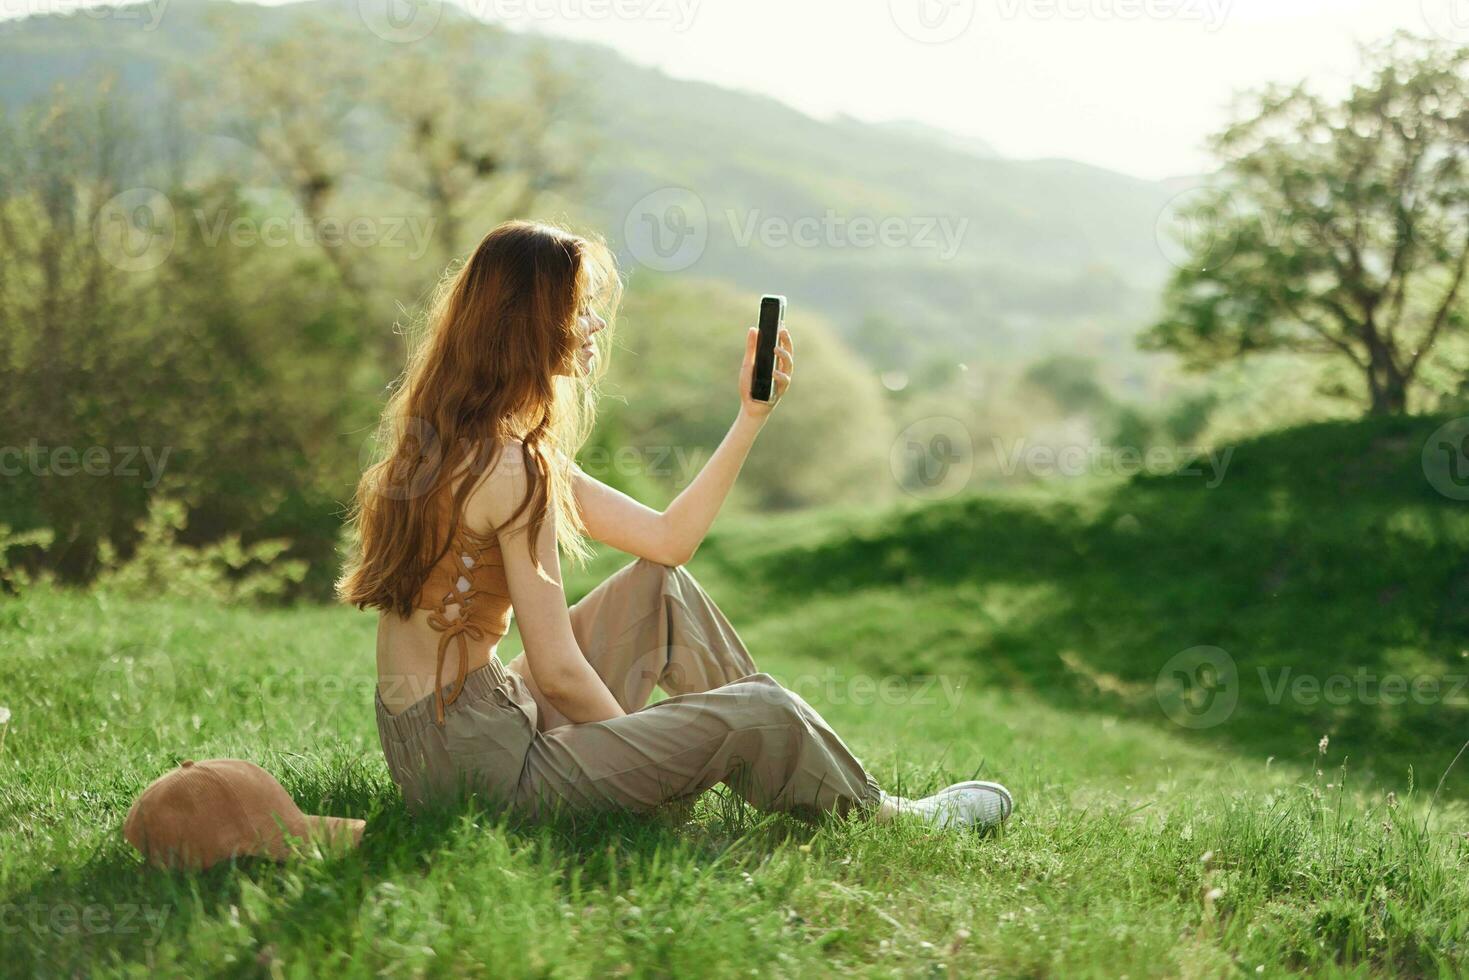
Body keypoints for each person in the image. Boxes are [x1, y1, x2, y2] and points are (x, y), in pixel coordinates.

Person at [338, 220, 1013, 832]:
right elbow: (559, 669)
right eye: (579, 309)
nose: (595, 325)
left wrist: (750, 418)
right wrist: (641, 758)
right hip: (485, 776)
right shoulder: (514, 470)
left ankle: (786, 769)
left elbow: (666, 541)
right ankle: (881, 818)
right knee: (762, 710)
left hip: (447, 745)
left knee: (659, 588)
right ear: (530, 323)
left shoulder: (462, 438)